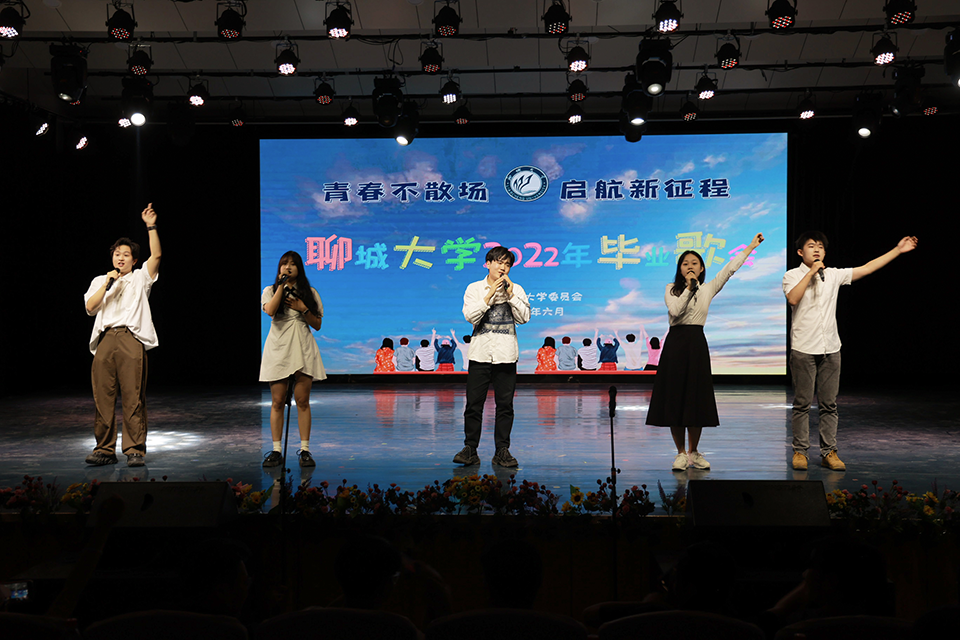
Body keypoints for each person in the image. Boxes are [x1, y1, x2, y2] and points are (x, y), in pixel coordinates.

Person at [783, 232, 918, 471]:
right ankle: (800, 452)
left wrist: (898, 250)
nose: (817, 249)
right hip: (803, 348)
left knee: (829, 404)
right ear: (800, 252)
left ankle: (829, 452)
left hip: (831, 348)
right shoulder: (792, 275)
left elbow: (867, 268)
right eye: (811, 246)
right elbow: (793, 299)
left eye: (821, 246)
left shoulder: (833, 275)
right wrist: (811, 273)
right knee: (802, 404)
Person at [646, 233, 764, 472]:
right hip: (675, 344)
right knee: (675, 399)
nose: (689, 266)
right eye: (685, 263)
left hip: (696, 344)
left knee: (696, 398)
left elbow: (730, 269)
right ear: (680, 269)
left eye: (694, 263)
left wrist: (751, 246)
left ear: (701, 269)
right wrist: (689, 289)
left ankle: (694, 452)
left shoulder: (709, 288)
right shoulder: (671, 289)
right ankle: (680, 453)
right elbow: (676, 312)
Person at [83, 203, 161, 468]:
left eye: (126, 255)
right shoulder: (100, 281)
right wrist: (108, 283)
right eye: (117, 254)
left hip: (130, 339)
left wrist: (151, 226)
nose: (121, 258)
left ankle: (134, 449)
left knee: (133, 396)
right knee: (103, 398)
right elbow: (90, 307)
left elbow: (157, 256)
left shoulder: (140, 278)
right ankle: (104, 449)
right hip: (105, 339)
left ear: (134, 260)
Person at [454, 246, 530, 467]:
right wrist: (489, 296)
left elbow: (524, 317)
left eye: (507, 264)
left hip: (506, 356)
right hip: (480, 355)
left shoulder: (517, 289)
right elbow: (470, 316)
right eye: (499, 262)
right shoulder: (474, 288)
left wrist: (510, 295)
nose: (503, 267)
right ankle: (470, 449)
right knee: (473, 405)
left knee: (505, 406)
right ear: (488, 264)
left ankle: (502, 451)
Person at [260, 251, 326, 468]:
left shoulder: (310, 292)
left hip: (302, 345)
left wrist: (302, 308)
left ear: (300, 268)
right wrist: (281, 287)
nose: (287, 267)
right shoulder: (270, 290)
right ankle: (276, 450)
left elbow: (317, 324)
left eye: (292, 264)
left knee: (303, 401)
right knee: (278, 401)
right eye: (284, 264)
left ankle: (305, 450)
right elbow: (270, 310)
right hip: (278, 346)